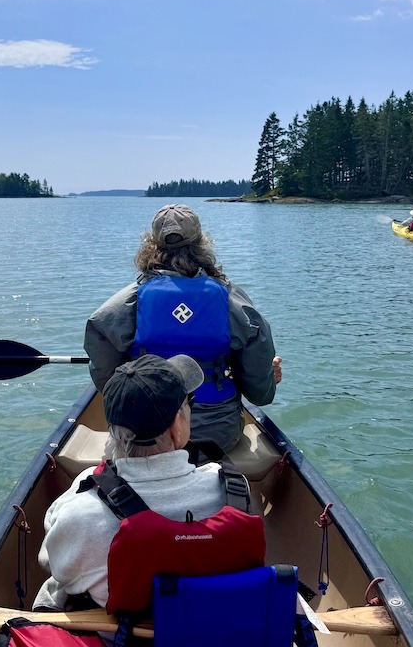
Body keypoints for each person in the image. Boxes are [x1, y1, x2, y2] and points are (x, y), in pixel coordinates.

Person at [33, 354, 264, 613]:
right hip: (219, 626)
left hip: (123, 630)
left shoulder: (82, 510)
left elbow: (54, 565)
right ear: (176, 426)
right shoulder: (233, 490)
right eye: (189, 403)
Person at [84, 204, 281, 452]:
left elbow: (108, 382)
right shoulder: (233, 302)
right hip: (216, 434)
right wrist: (266, 378)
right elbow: (261, 395)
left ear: (150, 245)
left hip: (142, 436)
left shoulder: (123, 305)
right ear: (202, 244)